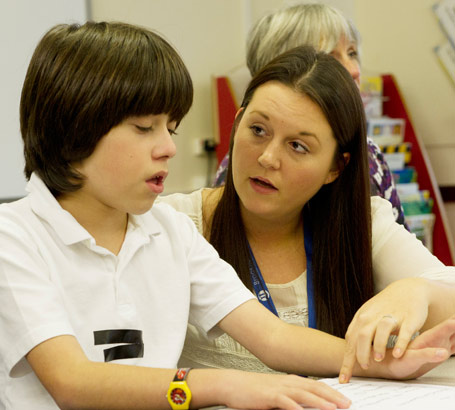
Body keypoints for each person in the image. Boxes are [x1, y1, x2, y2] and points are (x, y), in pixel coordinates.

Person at [0, 21, 362, 410]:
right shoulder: (15, 237)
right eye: (144, 128)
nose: (168, 148)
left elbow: (273, 338)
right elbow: (73, 382)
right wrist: (222, 385)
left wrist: (385, 361)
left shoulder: (170, 230)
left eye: (171, 128)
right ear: (72, 128)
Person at [157, 44, 455, 384]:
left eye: (298, 146)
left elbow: (447, 287)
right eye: (258, 130)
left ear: (335, 167)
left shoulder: (364, 224)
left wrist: (419, 292)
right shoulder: (173, 223)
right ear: (237, 123)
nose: (268, 158)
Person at [213, 3, 407, 228]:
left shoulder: (368, 153)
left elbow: (400, 247)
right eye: (332, 59)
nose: (354, 70)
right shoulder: (239, 171)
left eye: (352, 53)